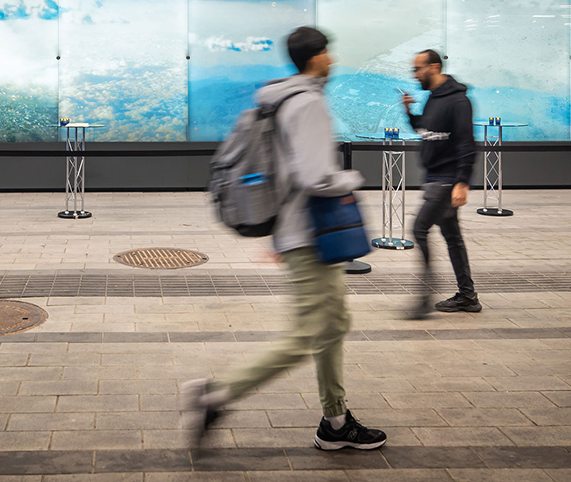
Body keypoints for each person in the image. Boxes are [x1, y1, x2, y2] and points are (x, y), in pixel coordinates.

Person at [184, 27, 387, 452]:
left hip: (302, 234)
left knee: (333, 325)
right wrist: (352, 177)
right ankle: (216, 395)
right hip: (313, 236)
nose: (332, 60)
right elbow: (315, 176)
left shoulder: (280, 100)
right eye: (328, 53)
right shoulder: (308, 103)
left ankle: (335, 420)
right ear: (315, 57)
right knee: (307, 334)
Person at [401, 50, 480, 317]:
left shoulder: (458, 101)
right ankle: (467, 296)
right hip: (434, 178)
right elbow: (426, 130)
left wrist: (462, 182)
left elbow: (467, 144)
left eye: (419, 69)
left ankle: (424, 299)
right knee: (452, 238)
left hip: (446, 182)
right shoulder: (433, 99)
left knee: (419, 229)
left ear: (434, 67)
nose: (415, 75)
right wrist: (410, 113)